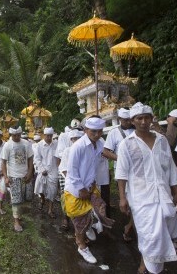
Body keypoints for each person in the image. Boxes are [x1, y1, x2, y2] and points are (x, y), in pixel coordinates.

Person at [116, 102, 177, 274]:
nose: (143, 121)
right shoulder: (127, 144)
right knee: (149, 235)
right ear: (133, 120)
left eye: (147, 118)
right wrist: (122, 198)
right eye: (139, 118)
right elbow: (122, 173)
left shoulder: (161, 141)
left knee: (159, 234)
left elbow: (170, 168)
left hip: (162, 195)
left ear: (152, 119)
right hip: (141, 197)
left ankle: (147, 265)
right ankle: (147, 268)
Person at [63, 117, 115, 264]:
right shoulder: (78, 147)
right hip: (76, 189)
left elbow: (95, 165)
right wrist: (81, 189)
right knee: (79, 220)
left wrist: (92, 184)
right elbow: (72, 172)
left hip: (91, 186)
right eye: (93, 131)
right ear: (86, 130)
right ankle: (82, 246)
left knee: (99, 210)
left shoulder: (99, 145)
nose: (97, 134)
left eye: (100, 131)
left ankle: (89, 227)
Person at [103, 108, 135, 240]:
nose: (128, 122)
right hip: (122, 171)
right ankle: (131, 224)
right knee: (127, 199)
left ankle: (131, 225)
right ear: (120, 119)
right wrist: (120, 158)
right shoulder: (114, 133)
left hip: (139, 170)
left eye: (129, 119)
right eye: (125, 120)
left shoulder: (137, 130)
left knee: (136, 200)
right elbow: (106, 151)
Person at [1, 126, 34, 232]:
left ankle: (19, 216)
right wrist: (6, 177)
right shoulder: (7, 145)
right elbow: (3, 162)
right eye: (14, 135)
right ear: (11, 135)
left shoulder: (26, 143)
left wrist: (30, 172)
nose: (16, 137)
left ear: (20, 134)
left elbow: (30, 159)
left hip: (25, 176)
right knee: (15, 200)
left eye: (18, 135)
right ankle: (16, 221)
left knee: (24, 198)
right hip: (13, 177)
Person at [58, 129, 83, 230]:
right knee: (66, 199)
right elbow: (64, 169)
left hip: (80, 180)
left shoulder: (84, 150)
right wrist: (73, 182)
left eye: (79, 138)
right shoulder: (67, 151)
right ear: (71, 139)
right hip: (67, 177)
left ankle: (81, 227)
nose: (76, 140)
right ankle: (65, 219)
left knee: (80, 202)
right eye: (74, 138)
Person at [34, 127, 58, 218]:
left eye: (50, 136)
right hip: (42, 170)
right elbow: (37, 158)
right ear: (44, 135)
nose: (49, 138)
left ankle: (50, 210)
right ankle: (43, 200)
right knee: (40, 188)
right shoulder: (39, 145)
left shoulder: (56, 144)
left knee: (53, 191)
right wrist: (41, 169)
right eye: (47, 136)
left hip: (53, 170)